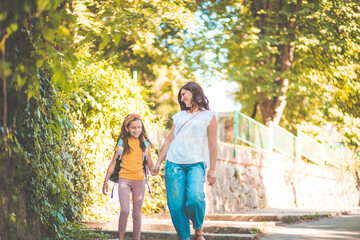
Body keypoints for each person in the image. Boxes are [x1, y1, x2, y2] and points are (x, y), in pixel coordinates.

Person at [151, 82, 217, 240]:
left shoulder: (209, 116)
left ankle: (198, 229)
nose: (182, 98)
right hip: (174, 163)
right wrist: (159, 162)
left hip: (196, 163)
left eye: (184, 94)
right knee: (175, 205)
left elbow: (213, 145)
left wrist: (213, 169)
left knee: (195, 198)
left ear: (195, 93)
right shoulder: (179, 116)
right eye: (181, 96)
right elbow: (169, 140)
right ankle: (184, 237)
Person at [102, 113, 154, 240]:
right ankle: (121, 238)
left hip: (140, 181)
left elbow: (150, 163)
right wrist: (105, 182)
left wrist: (154, 169)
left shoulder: (145, 144)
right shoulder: (122, 143)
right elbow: (113, 163)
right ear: (127, 128)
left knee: (137, 214)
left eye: (139, 128)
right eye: (133, 128)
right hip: (124, 180)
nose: (137, 130)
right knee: (124, 210)